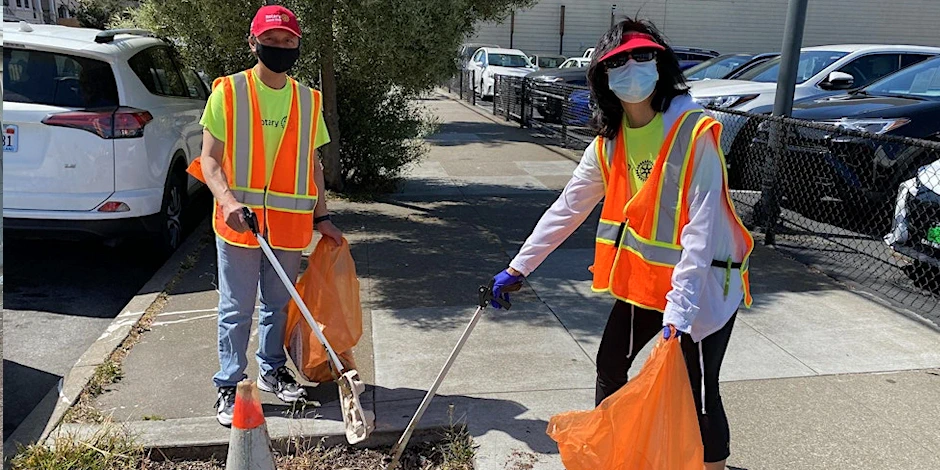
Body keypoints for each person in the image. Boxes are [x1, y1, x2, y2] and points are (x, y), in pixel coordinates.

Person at [489, 19, 754, 468]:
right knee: (610, 363)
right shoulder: (609, 144)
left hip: (703, 290)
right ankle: (606, 456)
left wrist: (680, 314)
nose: (631, 67)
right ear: (604, 76)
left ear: (661, 63)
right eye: (618, 60)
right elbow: (568, 208)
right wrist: (519, 267)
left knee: (698, 390)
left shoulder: (695, 134)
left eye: (643, 55)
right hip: (646, 286)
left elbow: (701, 234)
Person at [188, 4, 343, 427]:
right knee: (236, 308)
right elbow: (210, 160)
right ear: (254, 43)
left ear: (297, 45)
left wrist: (322, 217)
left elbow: (313, 166)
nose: (279, 48)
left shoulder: (309, 101)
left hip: (289, 227)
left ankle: (272, 370)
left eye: (287, 41)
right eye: (271, 41)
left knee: (278, 304)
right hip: (240, 225)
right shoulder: (229, 92)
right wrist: (228, 201)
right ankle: (229, 384)